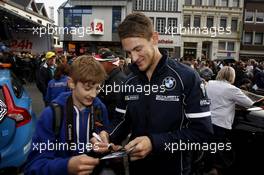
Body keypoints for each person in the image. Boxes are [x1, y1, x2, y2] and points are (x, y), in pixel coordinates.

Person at [91, 13, 213, 175]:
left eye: (138, 49)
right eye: (128, 52)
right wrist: (106, 135)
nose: (133, 58)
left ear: (154, 38)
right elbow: (121, 121)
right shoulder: (129, 82)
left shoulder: (187, 78)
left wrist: (154, 143)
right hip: (137, 168)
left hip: (175, 169)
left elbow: (202, 134)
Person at [24, 55, 109, 175]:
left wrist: (103, 137)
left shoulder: (99, 108)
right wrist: (67, 166)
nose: (94, 94)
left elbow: (103, 131)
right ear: (71, 83)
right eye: (88, 88)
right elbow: (34, 167)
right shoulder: (51, 115)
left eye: (98, 88)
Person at [205, 66, 254, 174]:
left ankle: (205, 167)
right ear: (232, 76)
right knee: (215, 147)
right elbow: (249, 103)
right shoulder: (232, 89)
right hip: (220, 122)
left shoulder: (210, 83)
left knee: (208, 145)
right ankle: (211, 169)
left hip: (206, 119)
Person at [95, 48, 127, 120]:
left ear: (109, 63)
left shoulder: (118, 80)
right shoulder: (108, 77)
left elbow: (117, 108)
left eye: (100, 62)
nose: (97, 65)